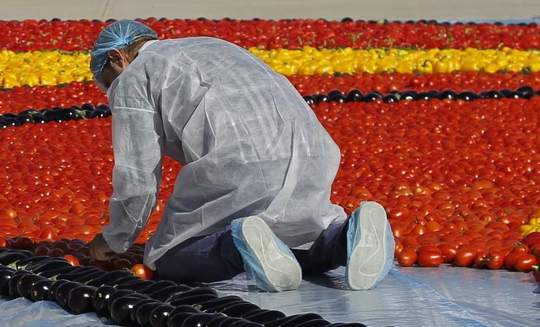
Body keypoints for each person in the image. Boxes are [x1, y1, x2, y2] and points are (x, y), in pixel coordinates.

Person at [85, 20, 394, 291]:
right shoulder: (210, 44)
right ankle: (347, 235)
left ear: (117, 57)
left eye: (110, 81)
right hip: (312, 152)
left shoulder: (134, 76)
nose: (114, 91)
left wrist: (115, 238)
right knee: (301, 239)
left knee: (168, 259)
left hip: (240, 162)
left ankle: (237, 244)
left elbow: (138, 178)